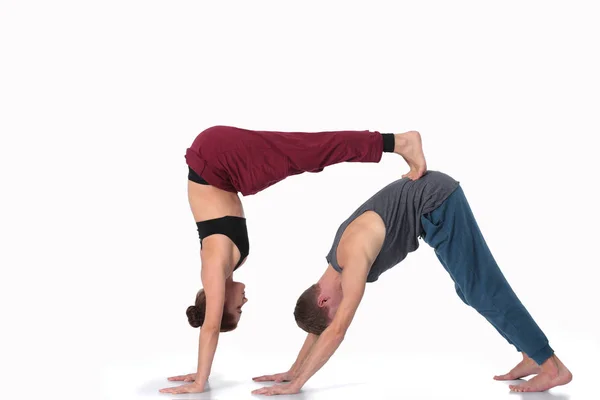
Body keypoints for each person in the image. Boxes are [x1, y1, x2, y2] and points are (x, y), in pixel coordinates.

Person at [159, 125, 427, 394]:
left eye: (238, 309)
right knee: (308, 156)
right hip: (226, 169)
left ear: (219, 303)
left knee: (309, 151)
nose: (245, 303)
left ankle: (400, 142)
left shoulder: (213, 267)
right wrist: (294, 373)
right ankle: (396, 143)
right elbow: (212, 322)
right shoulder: (229, 265)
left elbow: (211, 327)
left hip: (216, 157)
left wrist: (199, 380)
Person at [253, 171, 572, 395]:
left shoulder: (352, 259)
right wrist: (293, 370)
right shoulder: (332, 272)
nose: (341, 310)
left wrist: (299, 385)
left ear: (323, 300)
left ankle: (552, 367)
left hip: (437, 201)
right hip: (432, 206)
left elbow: (336, 330)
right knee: (470, 291)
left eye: (332, 311)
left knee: (481, 288)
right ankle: (532, 354)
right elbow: (323, 326)